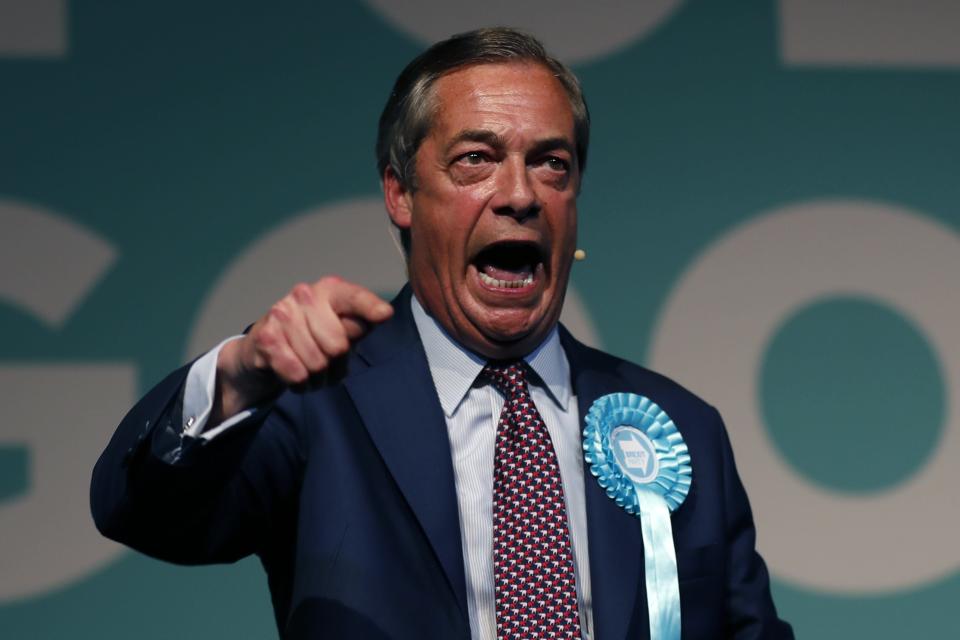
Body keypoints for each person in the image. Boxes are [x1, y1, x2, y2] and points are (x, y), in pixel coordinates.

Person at [91, 27, 793, 640]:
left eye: (552, 163)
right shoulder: (319, 406)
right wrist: (242, 373)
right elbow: (142, 513)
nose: (520, 195)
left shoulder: (679, 431)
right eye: (475, 159)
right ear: (400, 193)